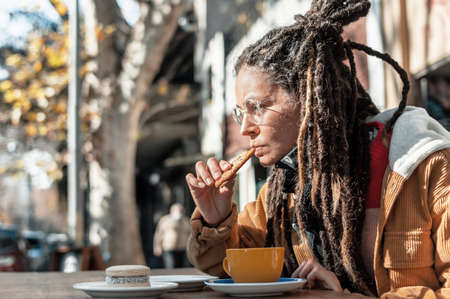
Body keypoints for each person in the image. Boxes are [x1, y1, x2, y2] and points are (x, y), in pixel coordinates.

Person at [185, 0, 450, 298]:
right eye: (239, 113)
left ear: (309, 98)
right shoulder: (283, 189)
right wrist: (215, 219)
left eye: (257, 107)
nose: (245, 127)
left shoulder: (424, 166)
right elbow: (227, 269)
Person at [153, 203, 191, 268]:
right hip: (168, 247)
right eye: (176, 210)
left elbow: (190, 234)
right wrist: (157, 246)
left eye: (180, 211)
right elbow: (159, 234)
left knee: (182, 268)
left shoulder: (186, 221)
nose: (178, 212)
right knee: (170, 266)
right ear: (171, 211)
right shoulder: (165, 220)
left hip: (182, 248)